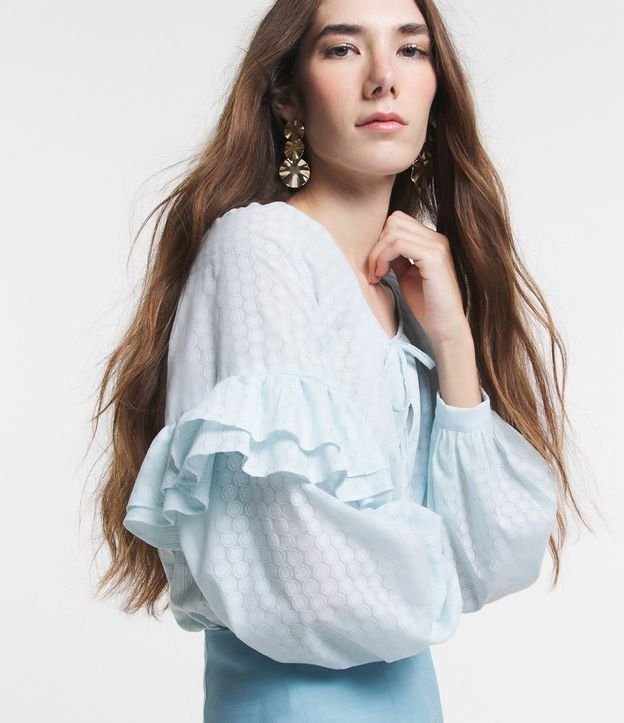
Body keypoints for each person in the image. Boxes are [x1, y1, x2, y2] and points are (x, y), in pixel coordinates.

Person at [90, 0, 591, 720]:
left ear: (436, 89)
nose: (385, 77)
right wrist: (442, 564)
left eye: (411, 50)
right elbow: (309, 584)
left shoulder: (405, 292)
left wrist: (452, 341)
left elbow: (497, 551)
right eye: (343, 49)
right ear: (288, 97)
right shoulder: (262, 250)